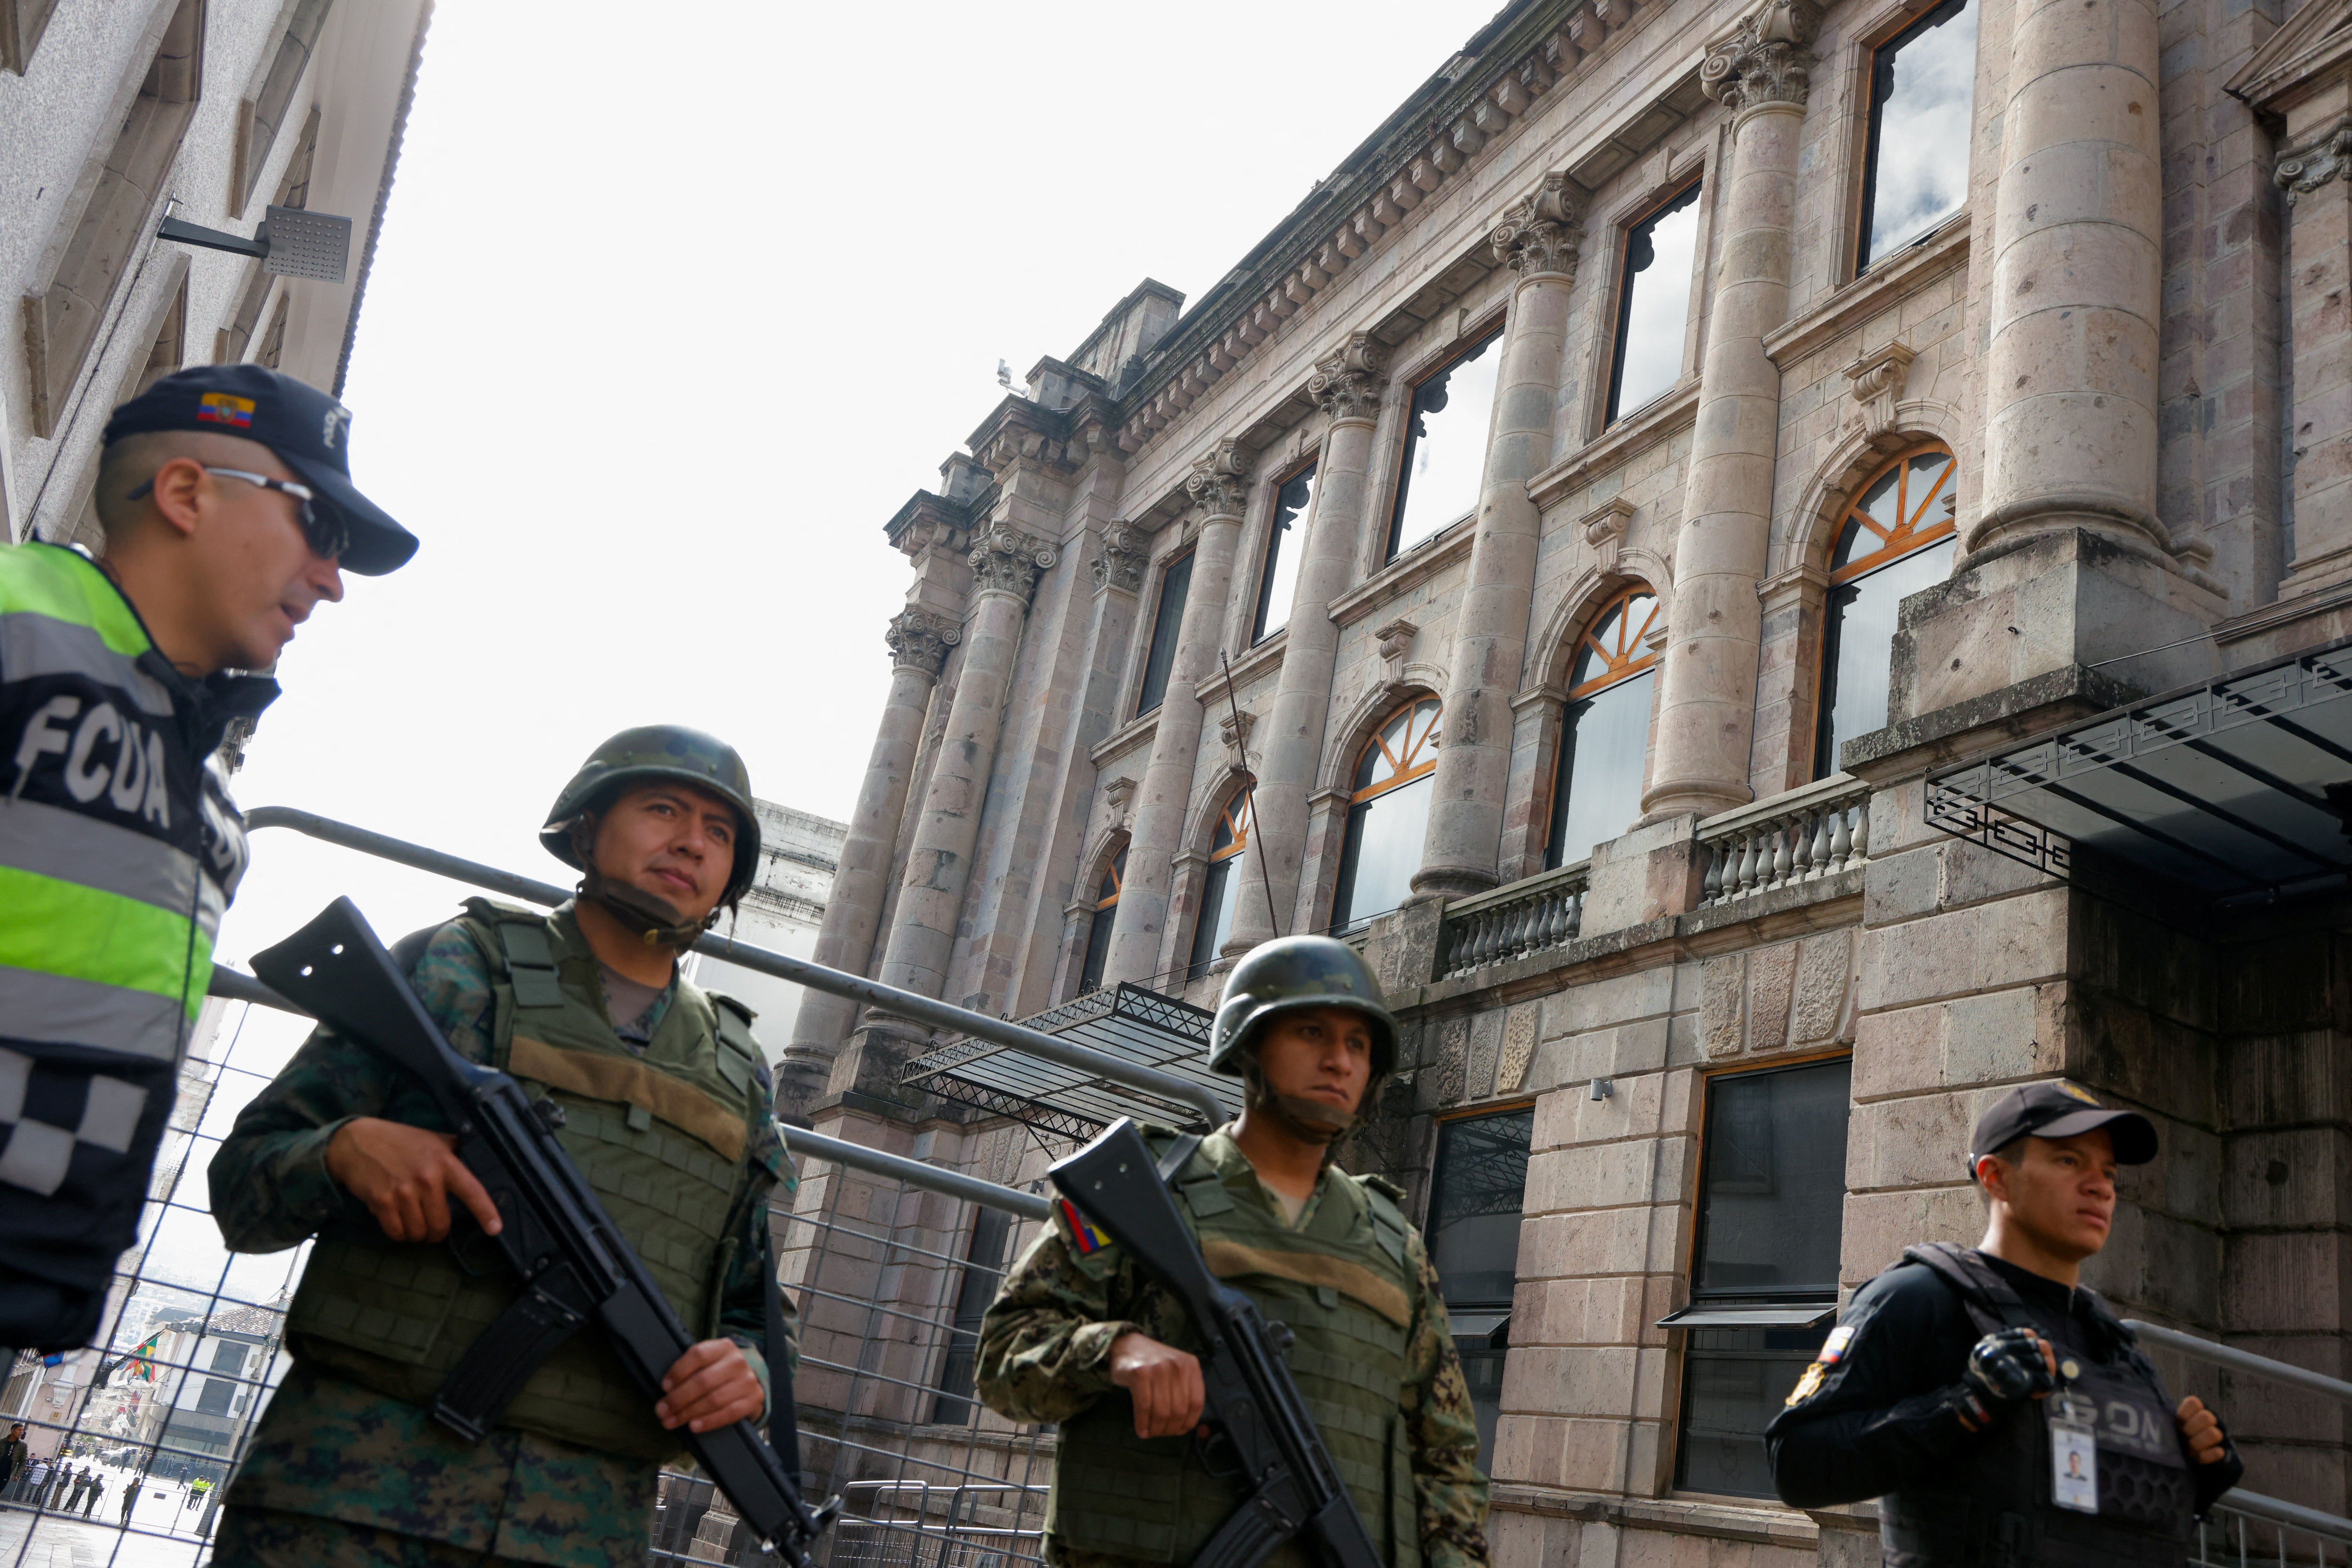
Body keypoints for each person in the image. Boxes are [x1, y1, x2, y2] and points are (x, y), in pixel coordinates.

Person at [208, 726, 796, 1568]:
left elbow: (758, 1301)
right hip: (347, 1498)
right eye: (662, 808)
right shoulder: (459, 965)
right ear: (587, 828)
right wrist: (344, 1151)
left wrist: (751, 1370)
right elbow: (243, 1183)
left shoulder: (741, 1071)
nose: (689, 841)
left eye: (719, 830)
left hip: (582, 1532)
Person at [0, 363, 416, 1353]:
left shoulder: (210, 789)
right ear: (186, 492)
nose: (333, 582)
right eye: (321, 530)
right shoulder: (17, 624)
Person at [975, 935, 1490, 1568]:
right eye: (1311, 1032)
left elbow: (1448, 1461)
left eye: (1358, 1044)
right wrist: (1115, 1351)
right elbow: (1003, 1356)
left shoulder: (1398, 1247)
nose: (1340, 1061)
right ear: (1249, 1045)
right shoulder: (1151, 1196)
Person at [1767, 1081, 2244, 1565]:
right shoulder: (1917, 1299)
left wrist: (2189, 1473)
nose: (2100, 1186)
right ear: (1994, 1176)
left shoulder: (2111, 1341)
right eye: (2068, 1161)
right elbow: (1794, 1464)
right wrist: (1961, 1407)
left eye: (2107, 1172)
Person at [0, 1423, 24, 1494]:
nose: (21, 1432)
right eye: (19, 1430)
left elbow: (23, 1462)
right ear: (13, 1430)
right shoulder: (2, 1442)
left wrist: (17, 1475)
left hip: (6, 1475)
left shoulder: (23, 1446)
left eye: (22, 1430)